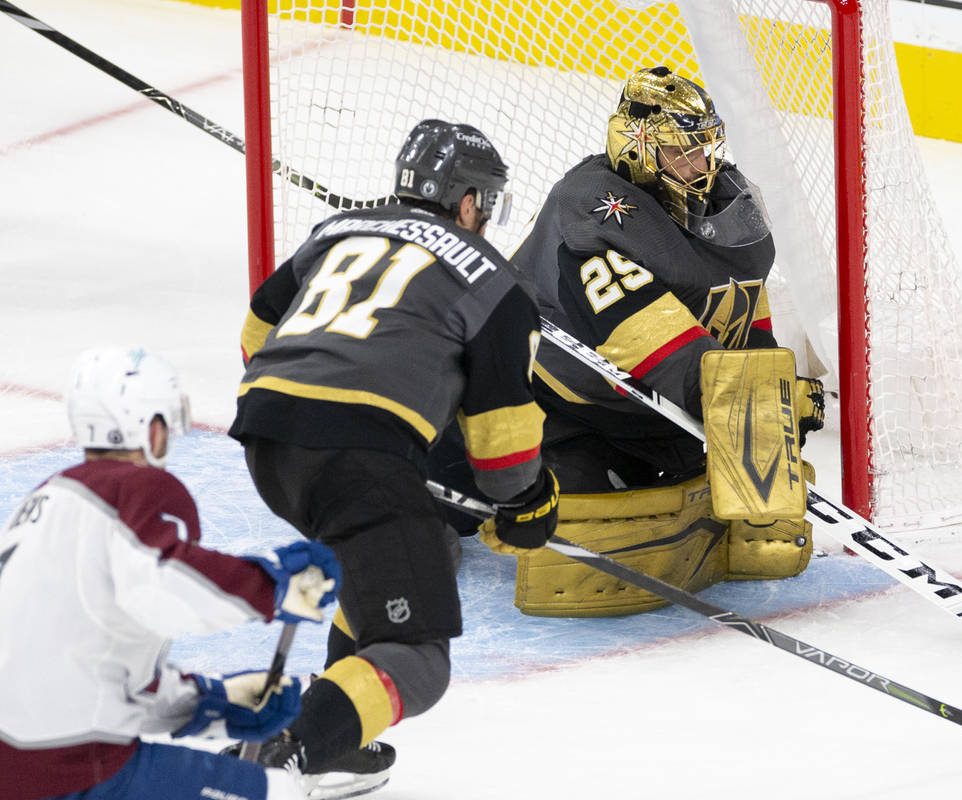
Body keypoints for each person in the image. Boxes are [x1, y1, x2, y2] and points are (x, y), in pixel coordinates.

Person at [228, 119, 558, 797]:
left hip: (266, 434)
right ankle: (280, 753)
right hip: (355, 454)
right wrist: (529, 505)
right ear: (467, 202)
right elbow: (503, 454)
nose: (486, 219)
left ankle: (337, 739)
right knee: (418, 656)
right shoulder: (494, 280)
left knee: (396, 560)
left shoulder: (337, 230)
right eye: (485, 203)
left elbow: (257, 331)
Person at [466, 66, 824, 617]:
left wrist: (770, 397)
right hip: (560, 410)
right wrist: (744, 403)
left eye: (704, 149)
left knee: (740, 480)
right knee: (564, 506)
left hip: (654, 416)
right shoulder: (589, 211)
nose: (700, 166)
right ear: (635, 146)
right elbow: (657, 345)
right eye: (682, 153)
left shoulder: (728, 203)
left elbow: (743, 312)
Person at [0, 346, 341, 800]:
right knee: (272, 791)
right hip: (75, 767)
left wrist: (211, 703)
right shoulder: (139, 488)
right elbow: (163, 584)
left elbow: (85, 670)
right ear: (152, 428)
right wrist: (274, 585)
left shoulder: (47, 500)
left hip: (24, 765)